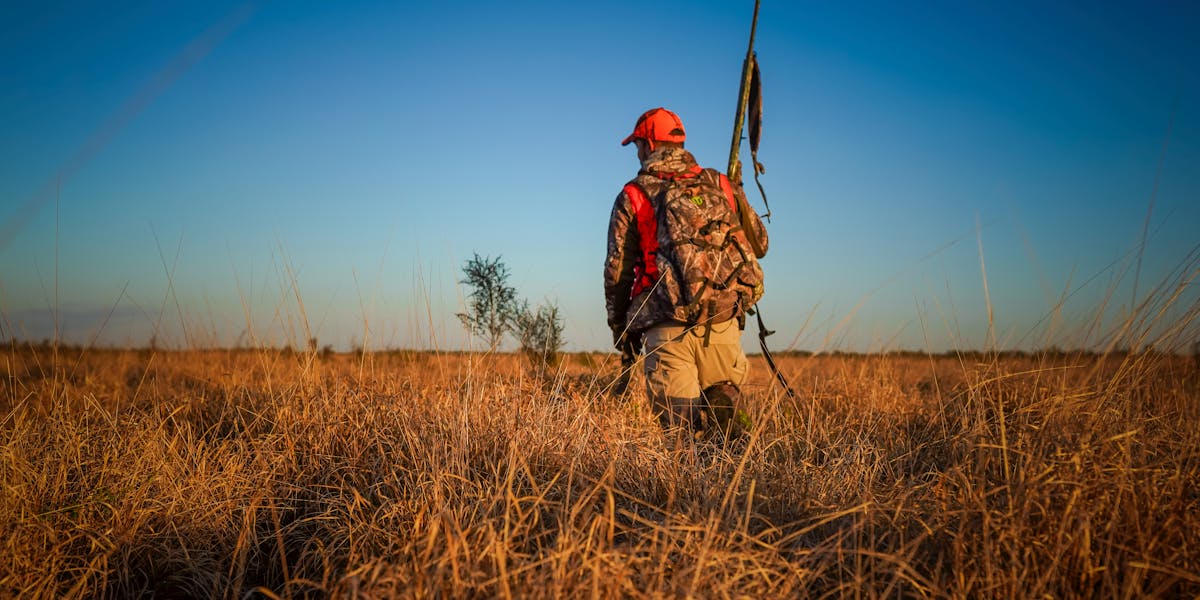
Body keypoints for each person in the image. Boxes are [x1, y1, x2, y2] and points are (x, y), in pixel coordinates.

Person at [604, 107, 768, 433]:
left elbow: (617, 271)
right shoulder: (719, 182)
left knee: (683, 440)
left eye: (637, 144)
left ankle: (693, 479)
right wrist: (736, 191)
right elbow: (760, 244)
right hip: (722, 322)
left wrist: (620, 328)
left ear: (649, 144)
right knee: (730, 425)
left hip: (665, 328)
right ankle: (745, 479)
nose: (636, 152)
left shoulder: (634, 194)